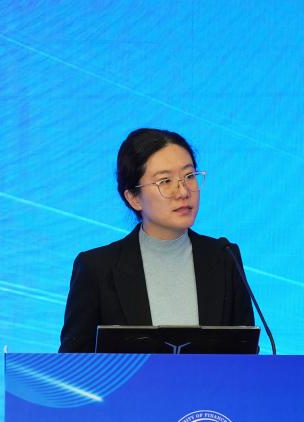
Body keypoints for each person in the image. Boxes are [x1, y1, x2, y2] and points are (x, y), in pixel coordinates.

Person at [58, 128, 255, 353]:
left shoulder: (225, 257)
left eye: (189, 176)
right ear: (134, 198)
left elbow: (245, 357)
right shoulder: (97, 269)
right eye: (165, 181)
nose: (183, 191)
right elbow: (72, 364)